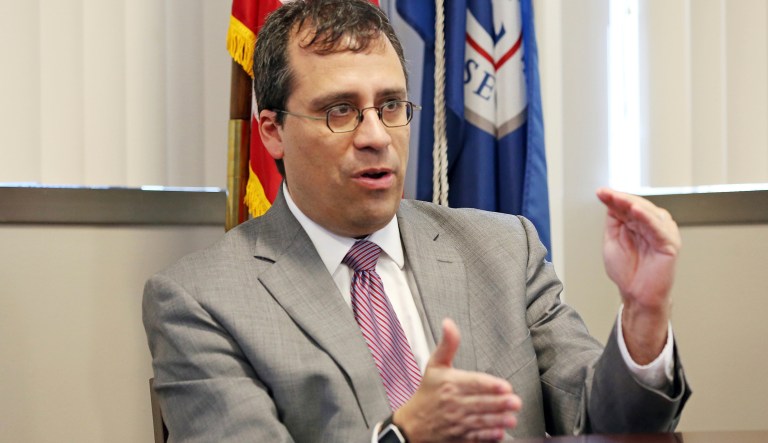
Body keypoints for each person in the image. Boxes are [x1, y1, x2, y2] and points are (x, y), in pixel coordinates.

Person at [143, 1, 690, 442]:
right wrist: (401, 437)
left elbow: (613, 426)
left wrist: (643, 317)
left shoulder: (504, 249)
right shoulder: (199, 300)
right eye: (340, 110)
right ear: (272, 132)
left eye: (390, 106)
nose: (376, 135)